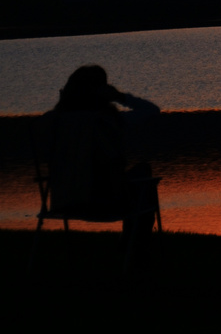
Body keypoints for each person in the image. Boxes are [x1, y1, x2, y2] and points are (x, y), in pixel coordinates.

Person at [45, 65, 161, 248]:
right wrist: (119, 97)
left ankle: (131, 245)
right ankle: (135, 246)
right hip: (105, 202)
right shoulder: (106, 121)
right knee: (143, 172)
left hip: (63, 201)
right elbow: (151, 110)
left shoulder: (52, 121)